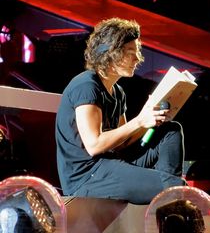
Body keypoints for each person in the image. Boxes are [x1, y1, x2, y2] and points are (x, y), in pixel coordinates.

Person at [55, 17, 186, 205]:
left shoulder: (117, 92)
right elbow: (94, 145)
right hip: (88, 177)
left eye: (137, 51)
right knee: (173, 187)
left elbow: (122, 144)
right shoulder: (86, 85)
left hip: (111, 164)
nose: (138, 58)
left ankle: (167, 201)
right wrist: (139, 121)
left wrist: (151, 118)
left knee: (171, 131)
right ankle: (169, 194)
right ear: (110, 53)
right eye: (130, 52)